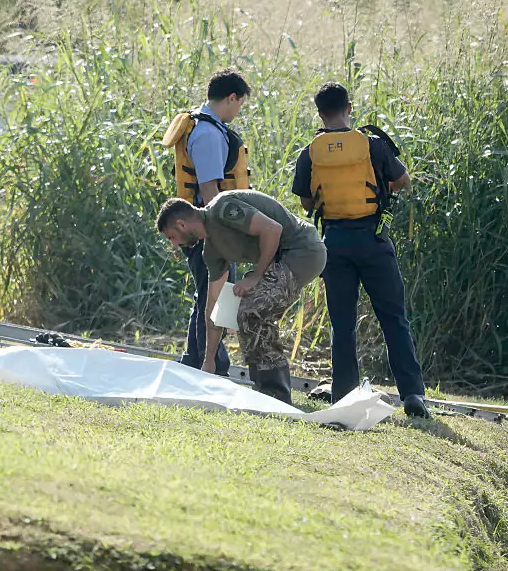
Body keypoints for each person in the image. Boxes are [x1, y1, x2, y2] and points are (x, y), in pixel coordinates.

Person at [292, 82, 429, 418]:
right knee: (394, 318)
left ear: (319, 113)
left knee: (342, 323)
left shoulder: (309, 153)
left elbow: (307, 202)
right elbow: (403, 181)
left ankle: (344, 394)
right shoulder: (373, 144)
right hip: (373, 239)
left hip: (334, 243)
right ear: (349, 108)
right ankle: (412, 394)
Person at [155, 190, 327, 404]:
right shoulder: (211, 251)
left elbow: (272, 229)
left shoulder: (223, 209)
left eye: (171, 237)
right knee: (242, 311)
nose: (174, 244)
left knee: (252, 309)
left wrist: (256, 275)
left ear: (182, 224)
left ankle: (277, 395)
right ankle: (264, 388)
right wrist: (209, 360)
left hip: (303, 250)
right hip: (280, 259)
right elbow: (213, 306)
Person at [160, 68, 253, 377]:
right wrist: (223, 233)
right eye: (240, 103)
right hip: (209, 229)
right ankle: (211, 364)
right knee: (217, 296)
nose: (239, 110)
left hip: (205, 226)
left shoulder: (202, 127)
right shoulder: (209, 133)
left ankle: (194, 358)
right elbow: (211, 191)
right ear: (231, 97)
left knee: (208, 294)